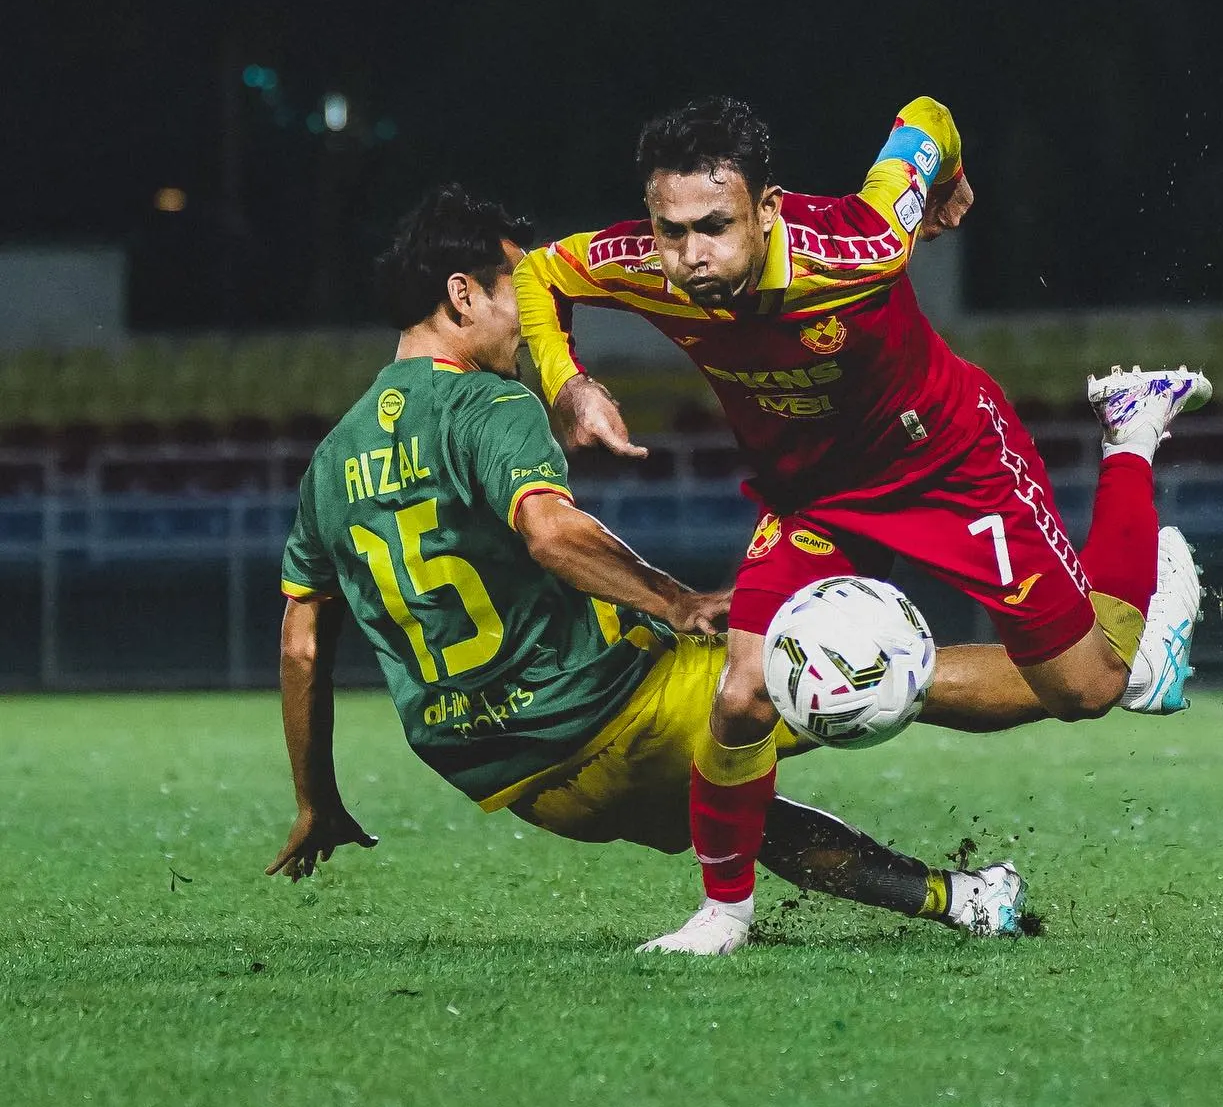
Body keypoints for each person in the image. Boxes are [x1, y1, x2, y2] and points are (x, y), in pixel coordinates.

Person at [514, 95, 1209, 955]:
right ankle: (723, 915)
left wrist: (948, 178)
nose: (690, 256)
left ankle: (1132, 436)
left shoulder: (866, 241)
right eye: (670, 229)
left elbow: (927, 115)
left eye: (715, 226)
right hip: (812, 493)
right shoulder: (642, 265)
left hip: (948, 462)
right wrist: (565, 381)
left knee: (1089, 686)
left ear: (768, 209)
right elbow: (539, 272)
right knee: (743, 694)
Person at [267, 183, 1025, 937]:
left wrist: (315, 800)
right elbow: (551, 533)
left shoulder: (330, 462)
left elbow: (302, 645)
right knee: (830, 665)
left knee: (736, 806)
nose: (532, 326)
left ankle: (962, 901)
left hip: (512, 780)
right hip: (610, 712)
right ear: (462, 296)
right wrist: (674, 600)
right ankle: (1111, 668)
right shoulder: (487, 406)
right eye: (517, 292)